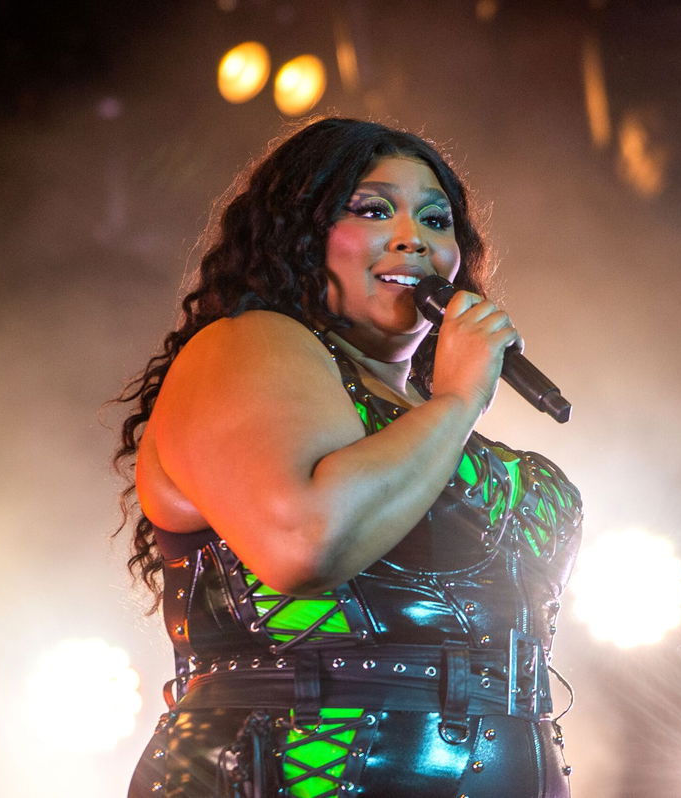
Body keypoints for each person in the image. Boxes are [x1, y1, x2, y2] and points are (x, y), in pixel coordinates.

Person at [115, 118, 582, 798]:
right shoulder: (246, 346)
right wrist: (456, 400)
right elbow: (309, 543)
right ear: (298, 234)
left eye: (435, 219)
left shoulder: (426, 424)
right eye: (372, 209)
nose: (412, 238)